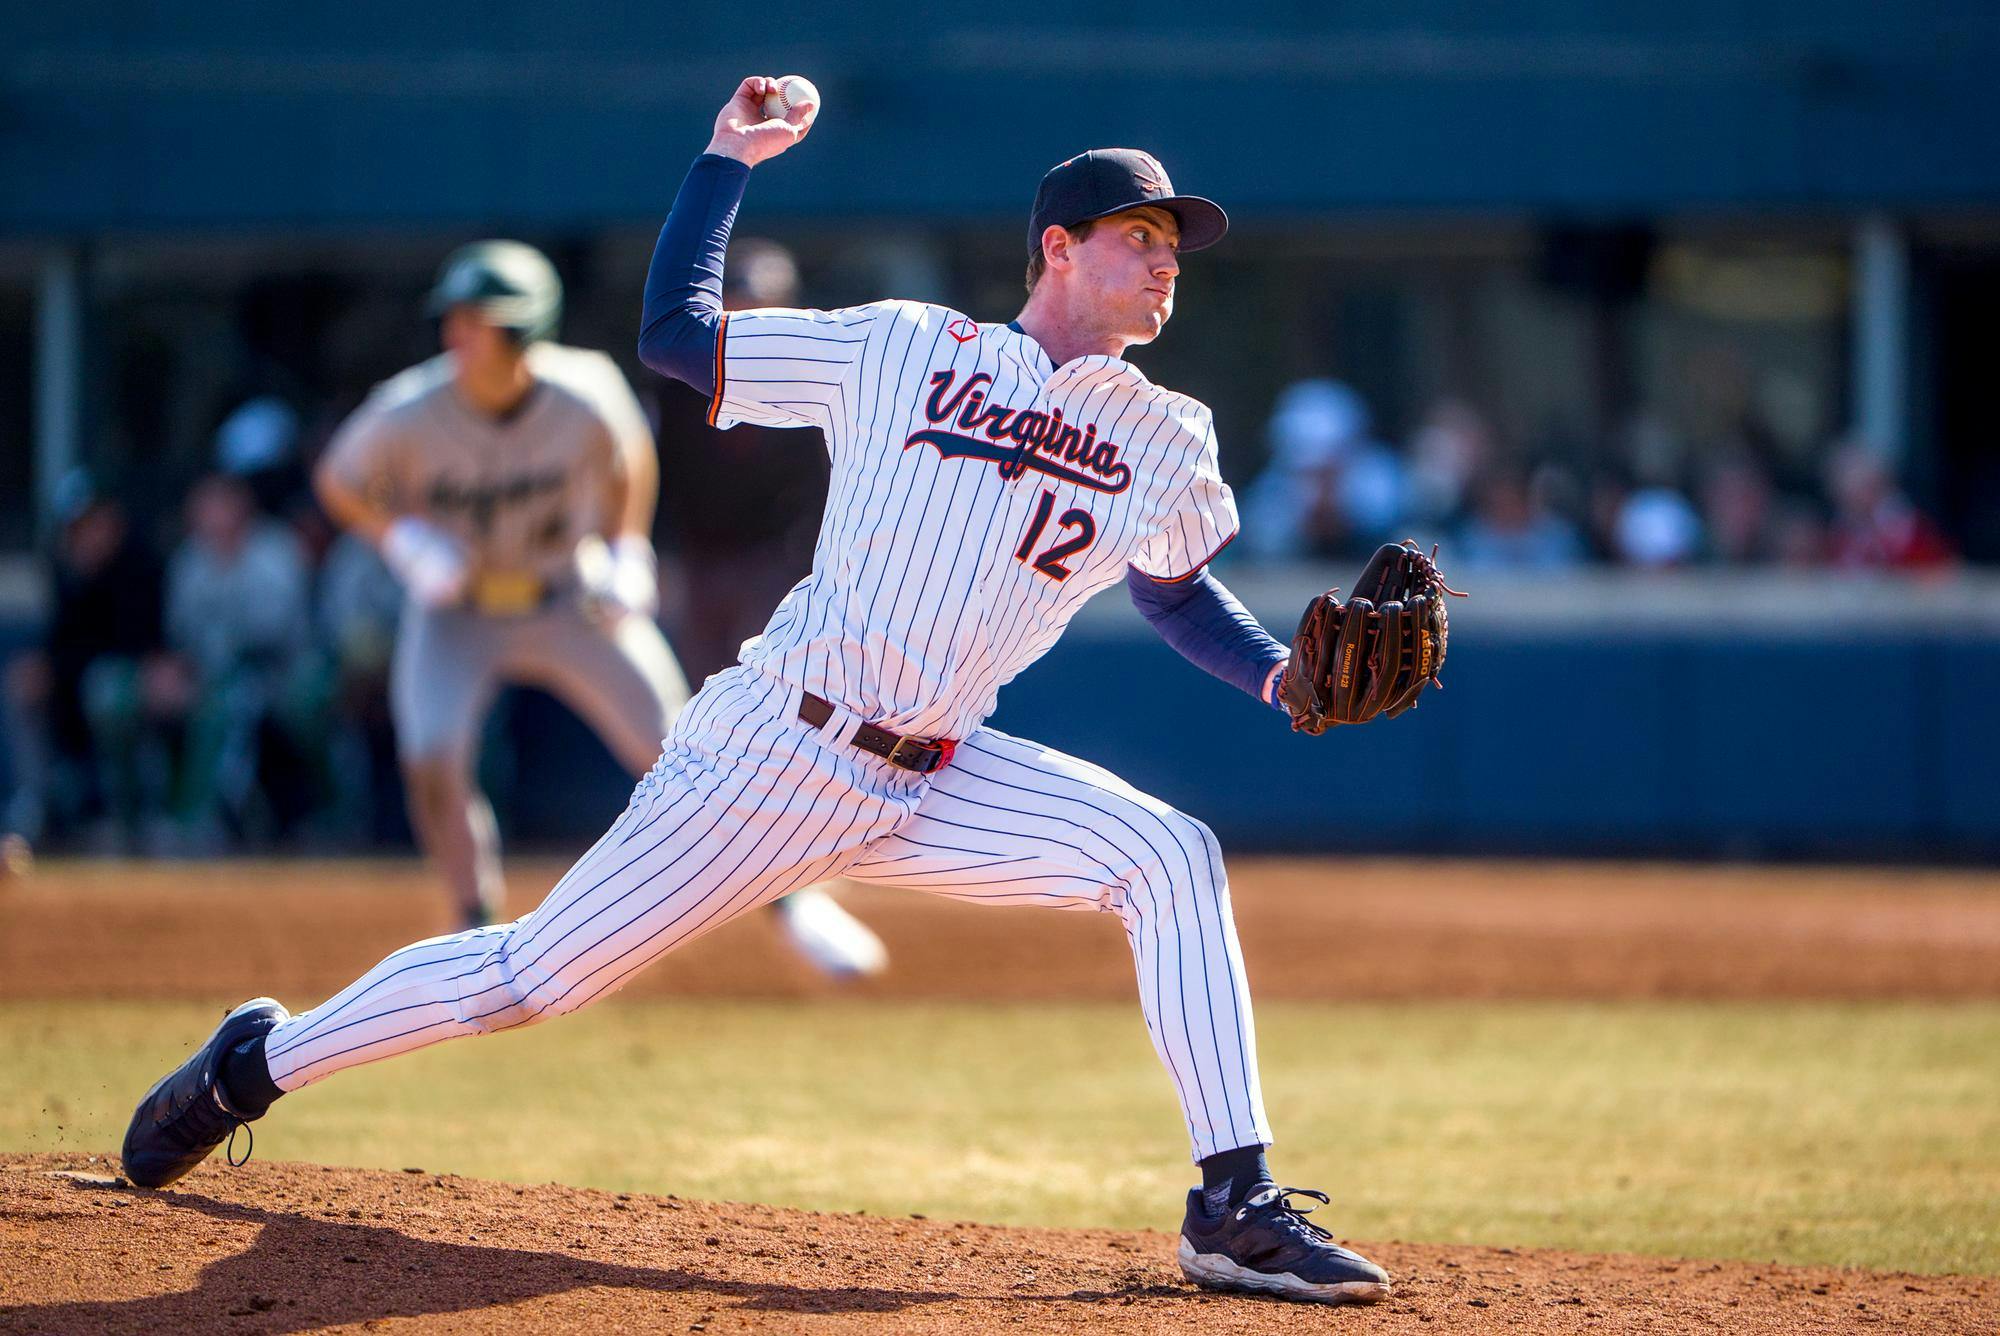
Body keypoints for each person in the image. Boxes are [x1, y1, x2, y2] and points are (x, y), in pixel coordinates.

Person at [121, 78, 1395, 1308]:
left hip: (940, 770)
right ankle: (255, 1062)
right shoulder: (905, 347)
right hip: (775, 752)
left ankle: (1234, 1200)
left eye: (1175, 244)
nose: (1168, 262)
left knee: (1168, 856)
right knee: (529, 978)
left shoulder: (1169, 433)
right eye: (1140, 237)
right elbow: (676, 338)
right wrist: (726, 159)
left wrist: (1276, 675)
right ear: (1056, 248)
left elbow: (1172, 589)